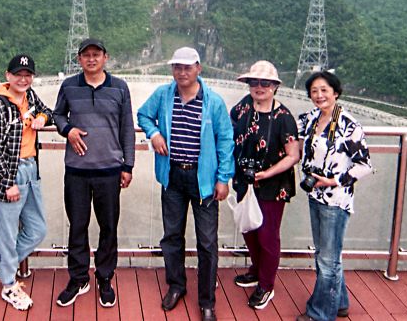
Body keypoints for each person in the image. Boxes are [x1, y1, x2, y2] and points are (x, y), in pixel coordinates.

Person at [137, 47, 234, 321]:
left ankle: (207, 301)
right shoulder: (163, 95)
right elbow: (143, 115)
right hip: (173, 176)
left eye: (187, 67)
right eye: (177, 67)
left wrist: (223, 178)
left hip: (204, 180)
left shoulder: (213, 102)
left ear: (198, 68)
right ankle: (176, 286)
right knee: (172, 236)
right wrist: (154, 134)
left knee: (207, 242)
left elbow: (226, 141)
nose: (182, 72)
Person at [52, 38, 135, 308]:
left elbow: (127, 128)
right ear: (79, 59)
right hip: (76, 171)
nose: (91, 59)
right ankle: (78, 278)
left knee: (108, 227)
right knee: (77, 226)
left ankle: (105, 277)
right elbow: (57, 115)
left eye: (96, 54)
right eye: (86, 55)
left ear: (105, 58)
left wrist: (128, 165)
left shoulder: (120, 88)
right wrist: (68, 130)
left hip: (109, 170)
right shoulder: (69, 86)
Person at [296, 71, 372, 321]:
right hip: (315, 194)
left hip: (336, 200)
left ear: (335, 93)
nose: (319, 95)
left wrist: (334, 180)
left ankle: (320, 314)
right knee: (326, 254)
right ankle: (340, 303)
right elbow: (293, 134)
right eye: (314, 91)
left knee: (328, 260)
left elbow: (364, 165)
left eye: (324, 90)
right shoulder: (311, 118)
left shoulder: (348, 125)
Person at [0, 53, 53, 311]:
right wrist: (7, 182)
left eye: (28, 75)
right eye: (18, 75)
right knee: (7, 235)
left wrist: (42, 119)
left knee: (37, 229)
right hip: (8, 175)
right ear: (7, 76)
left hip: (31, 171)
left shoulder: (30, 97)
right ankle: (9, 286)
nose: (23, 79)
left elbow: (48, 111)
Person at [230, 61, 300, 310]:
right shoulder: (243, 107)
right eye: (254, 82)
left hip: (272, 185)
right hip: (244, 180)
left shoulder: (284, 118)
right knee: (248, 228)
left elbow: (293, 155)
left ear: (275, 86)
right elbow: (227, 134)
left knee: (267, 235)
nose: (259, 87)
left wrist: (266, 173)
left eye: (265, 83)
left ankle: (266, 285)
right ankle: (256, 270)